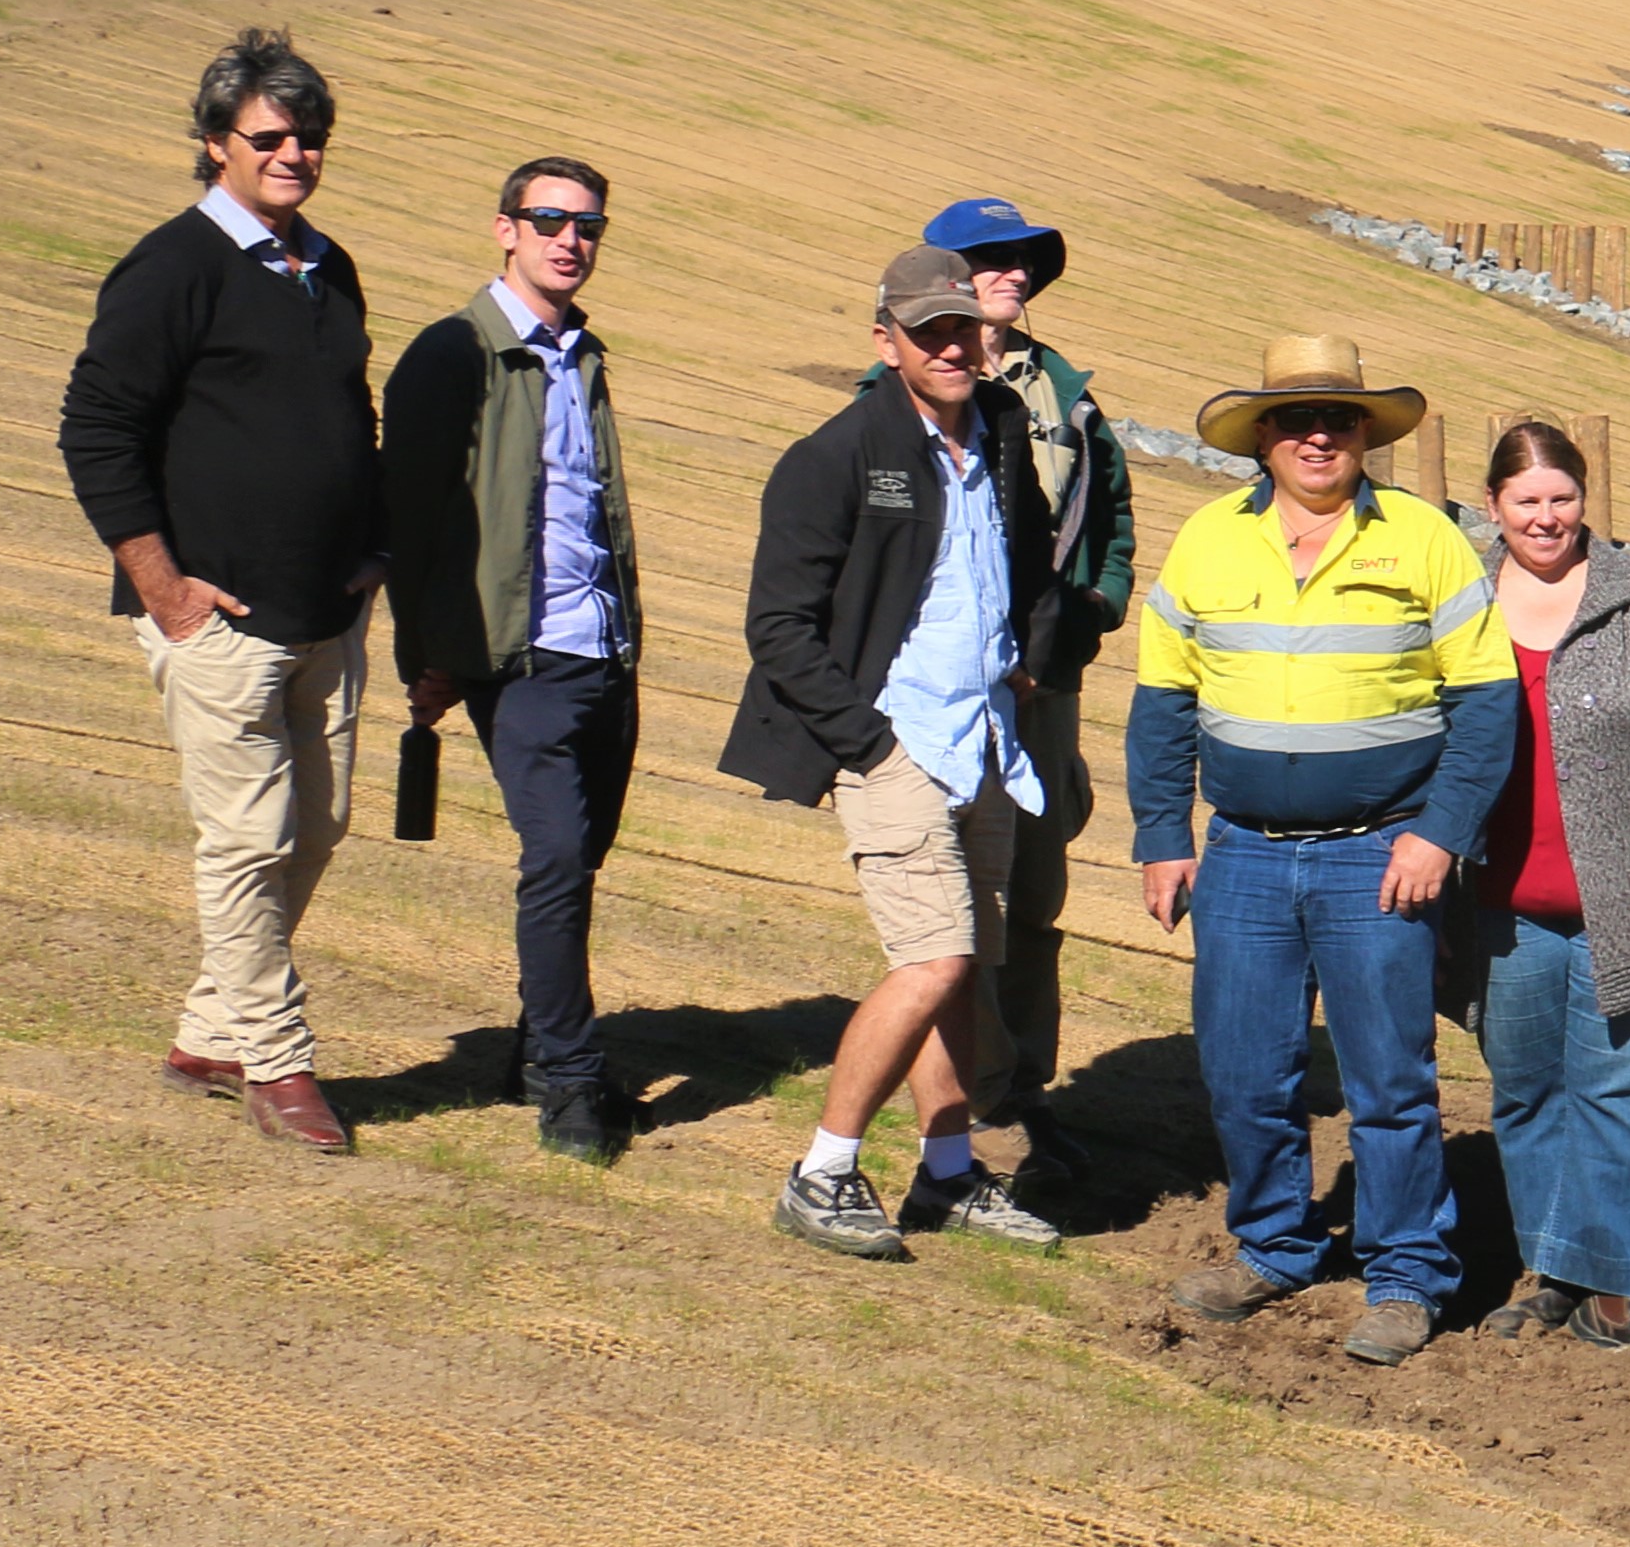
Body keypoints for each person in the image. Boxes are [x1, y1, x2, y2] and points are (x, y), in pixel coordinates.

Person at [1130, 334, 1519, 1369]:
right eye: (1296, 418)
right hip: (1243, 856)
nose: (1317, 435)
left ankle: (1405, 1274)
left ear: (1364, 435)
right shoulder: (1208, 540)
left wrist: (1440, 832)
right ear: (1262, 435)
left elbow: (1487, 704)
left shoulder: (1426, 540)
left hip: (1377, 855)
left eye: (1338, 419)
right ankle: (1273, 1246)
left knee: (1391, 1079)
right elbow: (1163, 700)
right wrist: (1163, 835)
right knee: (1245, 1071)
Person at [57, 26, 382, 1158]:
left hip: (328, 615)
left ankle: (209, 1030)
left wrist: (373, 546)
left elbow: (351, 417)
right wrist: (163, 588)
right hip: (219, 620)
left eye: (310, 138)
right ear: (216, 145)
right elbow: (95, 429)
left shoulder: (323, 264)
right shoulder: (172, 267)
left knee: (319, 826)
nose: (295, 155)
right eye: (271, 138)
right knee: (245, 840)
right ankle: (277, 1062)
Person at [722, 244, 1069, 1263]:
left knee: (969, 971)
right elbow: (778, 626)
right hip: (895, 744)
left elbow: (1035, 562)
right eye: (931, 333)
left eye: (966, 327)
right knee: (933, 961)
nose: (956, 346)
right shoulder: (832, 457)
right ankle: (822, 1170)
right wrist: (866, 741)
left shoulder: (1001, 429)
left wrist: (1031, 660)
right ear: (887, 341)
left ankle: (950, 1172)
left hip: (987, 740)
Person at [383, 155, 645, 1162]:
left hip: (602, 653)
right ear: (504, 229)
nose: (569, 239)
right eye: (549, 220)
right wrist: (432, 655)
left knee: (582, 858)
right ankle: (572, 1085)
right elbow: (412, 510)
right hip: (518, 661)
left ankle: (542, 1044)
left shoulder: (583, 356)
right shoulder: (455, 353)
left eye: (587, 226)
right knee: (555, 861)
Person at [1459, 420, 1630, 1381]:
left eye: (1562, 497)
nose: (1546, 517)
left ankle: (1620, 1293)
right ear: (1493, 505)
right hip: (1500, 904)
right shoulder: (1462, 602)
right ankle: (1549, 1273)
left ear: (1586, 500)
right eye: (1526, 500)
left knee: (1622, 1096)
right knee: (1528, 1091)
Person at [918, 197, 1136, 1191]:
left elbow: (1117, 516)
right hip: (948, 683)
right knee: (960, 896)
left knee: (1040, 890)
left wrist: (1098, 604)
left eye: (1022, 261)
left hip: (1045, 682)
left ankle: (1027, 1088)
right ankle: (976, 1093)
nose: (1011, 273)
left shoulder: (1066, 392)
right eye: (988, 259)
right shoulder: (912, 382)